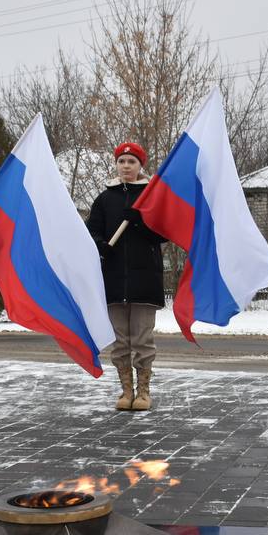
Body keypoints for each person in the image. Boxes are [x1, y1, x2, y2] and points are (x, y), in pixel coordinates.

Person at [86, 142, 165, 411]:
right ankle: (126, 390)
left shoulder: (153, 196)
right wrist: (101, 245)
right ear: (116, 165)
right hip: (113, 279)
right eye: (122, 162)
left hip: (145, 281)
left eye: (132, 162)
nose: (126, 167)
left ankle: (143, 390)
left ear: (140, 165)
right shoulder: (105, 199)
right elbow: (91, 230)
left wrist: (140, 221)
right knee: (120, 341)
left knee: (142, 339)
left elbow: (164, 233)